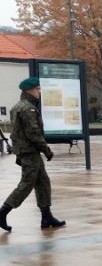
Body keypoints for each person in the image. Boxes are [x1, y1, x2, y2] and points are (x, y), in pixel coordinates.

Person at [0, 77, 65, 232]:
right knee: (27, 184)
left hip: (26, 151)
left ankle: (46, 216)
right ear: (29, 90)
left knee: (43, 182)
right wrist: (47, 150)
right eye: (37, 89)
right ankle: (2, 212)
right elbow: (33, 133)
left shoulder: (17, 107)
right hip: (30, 152)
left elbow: (17, 133)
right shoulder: (28, 108)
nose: (39, 92)